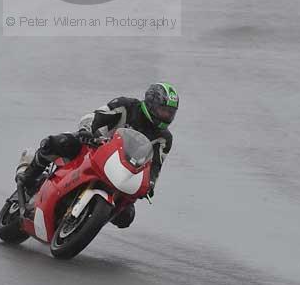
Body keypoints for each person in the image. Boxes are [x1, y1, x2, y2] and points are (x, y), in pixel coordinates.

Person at [18, 82, 179, 228]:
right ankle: (29, 177)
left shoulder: (164, 138)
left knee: (126, 217)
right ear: (151, 104)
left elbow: (156, 165)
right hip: (93, 147)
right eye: (163, 110)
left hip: (123, 171)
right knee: (56, 143)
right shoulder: (126, 106)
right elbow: (96, 116)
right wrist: (86, 131)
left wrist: (149, 184)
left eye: (170, 113)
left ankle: (87, 220)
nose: (166, 116)